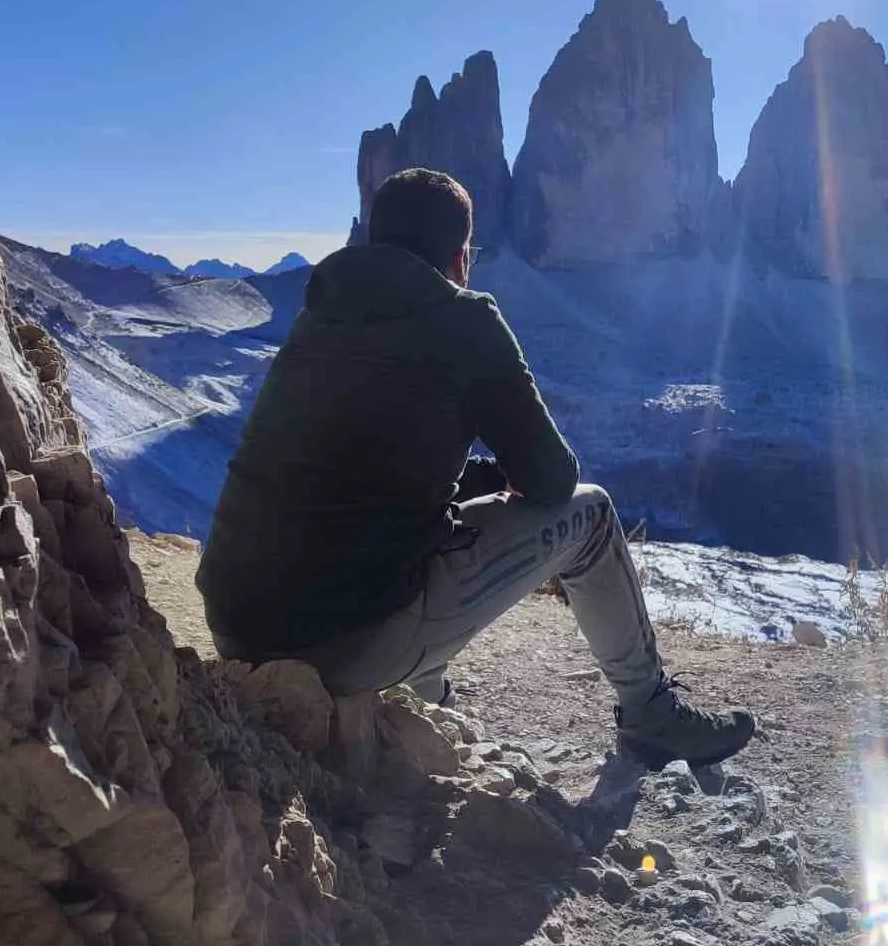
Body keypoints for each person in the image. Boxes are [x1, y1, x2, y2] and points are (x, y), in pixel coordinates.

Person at [196, 167, 754, 769]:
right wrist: (504, 473)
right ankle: (652, 715)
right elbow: (552, 480)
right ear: (461, 256)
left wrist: (475, 478)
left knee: (400, 552)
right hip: (342, 648)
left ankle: (431, 715)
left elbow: (353, 472)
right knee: (591, 516)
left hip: (235, 629)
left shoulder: (317, 317)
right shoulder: (464, 318)